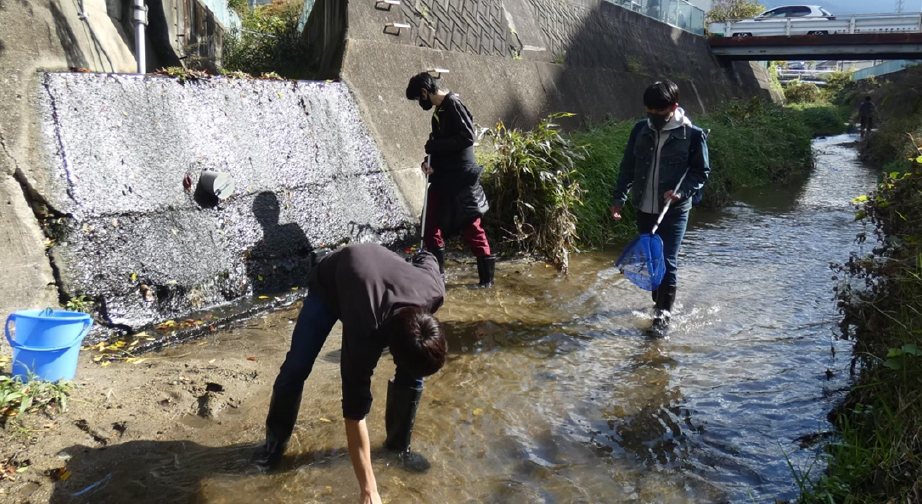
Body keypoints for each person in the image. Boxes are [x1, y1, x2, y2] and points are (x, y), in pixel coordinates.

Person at [256, 243, 448, 504]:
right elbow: (354, 413)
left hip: (375, 273)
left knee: (414, 372)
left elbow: (429, 258)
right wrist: (369, 489)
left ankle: (397, 448)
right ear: (388, 349)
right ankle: (273, 446)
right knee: (297, 366)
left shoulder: (433, 291)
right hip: (332, 283)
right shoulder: (365, 332)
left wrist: (422, 253)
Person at [611, 80, 710, 337]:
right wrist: (618, 199)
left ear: (673, 107)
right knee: (651, 260)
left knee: (667, 260)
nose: (653, 118)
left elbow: (701, 172)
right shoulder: (639, 131)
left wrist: (680, 192)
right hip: (644, 206)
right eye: (649, 113)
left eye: (659, 113)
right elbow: (628, 167)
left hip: (675, 209)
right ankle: (659, 300)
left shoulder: (692, 135)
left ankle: (663, 317)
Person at [405, 72, 494, 287]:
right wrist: (428, 163)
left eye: (419, 99)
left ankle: (487, 283)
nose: (420, 103)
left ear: (425, 92)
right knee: (430, 224)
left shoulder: (453, 103)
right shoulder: (439, 112)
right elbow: (439, 145)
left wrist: (436, 147)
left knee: (471, 226)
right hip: (443, 177)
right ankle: (438, 277)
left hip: (461, 178)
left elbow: (467, 137)